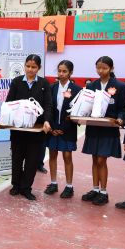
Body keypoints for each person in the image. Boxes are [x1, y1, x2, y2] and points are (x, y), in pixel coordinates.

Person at [81, 56, 125, 206]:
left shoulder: (120, 86)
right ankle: (95, 189)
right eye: (98, 68)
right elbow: (86, 106)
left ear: (111, 69)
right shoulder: (91, 86)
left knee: (102, 159)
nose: (101, 71)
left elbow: (122, 109)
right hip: (94, 127)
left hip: (108, 129)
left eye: (104, 68)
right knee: (95, 159)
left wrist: (120, 119)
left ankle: (104, 192)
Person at [5, 55, 52, 201]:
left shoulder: (44, 84)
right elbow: (9, 103)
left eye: (34, 67)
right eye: (28, 66)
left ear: (39, 68)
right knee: (17, 158)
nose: (30, 69)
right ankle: (16, 186)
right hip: (18, 130)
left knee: (32, 161)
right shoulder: (17, 82)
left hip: (36, 131)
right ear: (24, 66)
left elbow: (48, 105)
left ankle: (26, 188)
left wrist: (47, 121)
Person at [44, 60, 81, 199]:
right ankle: (53, 183)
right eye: (59, 70)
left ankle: (69, 186)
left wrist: (63, 128)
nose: (61, 73)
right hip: (53, 128)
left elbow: (77, 112)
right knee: (52, 155)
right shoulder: (52, 87)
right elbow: (49, 108)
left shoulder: (77, 90)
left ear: (70, 73)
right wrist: (53, 127)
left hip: (68, 129)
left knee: (67, 157)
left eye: (64, 71)